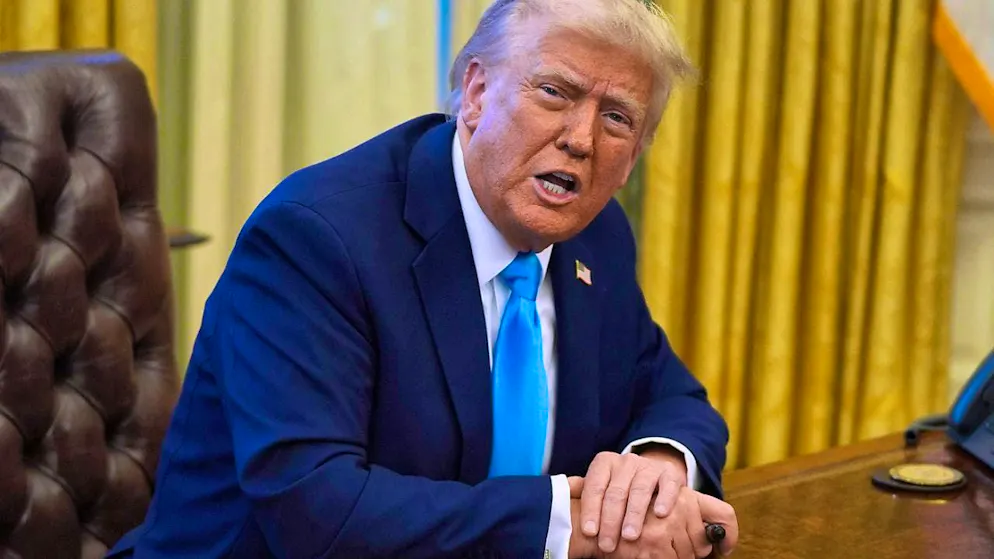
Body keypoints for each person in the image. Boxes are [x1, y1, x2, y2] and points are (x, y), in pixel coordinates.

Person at [108, 0, 738, 557]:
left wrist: (654, 469)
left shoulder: (594, 237)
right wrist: (564, 527)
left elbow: (673, 396)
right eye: (555, 92)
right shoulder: (317, 238)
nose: (580, 140)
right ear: (476, 93)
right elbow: (316, 512)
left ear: (635, 155)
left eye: (617, 119)